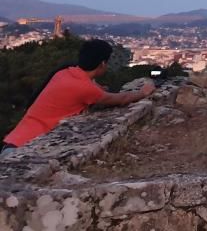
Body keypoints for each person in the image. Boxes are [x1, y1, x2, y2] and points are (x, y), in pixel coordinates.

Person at [2, 39, 155, 156]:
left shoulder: (64, 72)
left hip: (13, 141)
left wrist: (96, 87)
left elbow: (86, 86)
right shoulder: (85, 88)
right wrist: (143, 92)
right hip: (25, 148)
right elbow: (120, 99)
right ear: (102, 63)